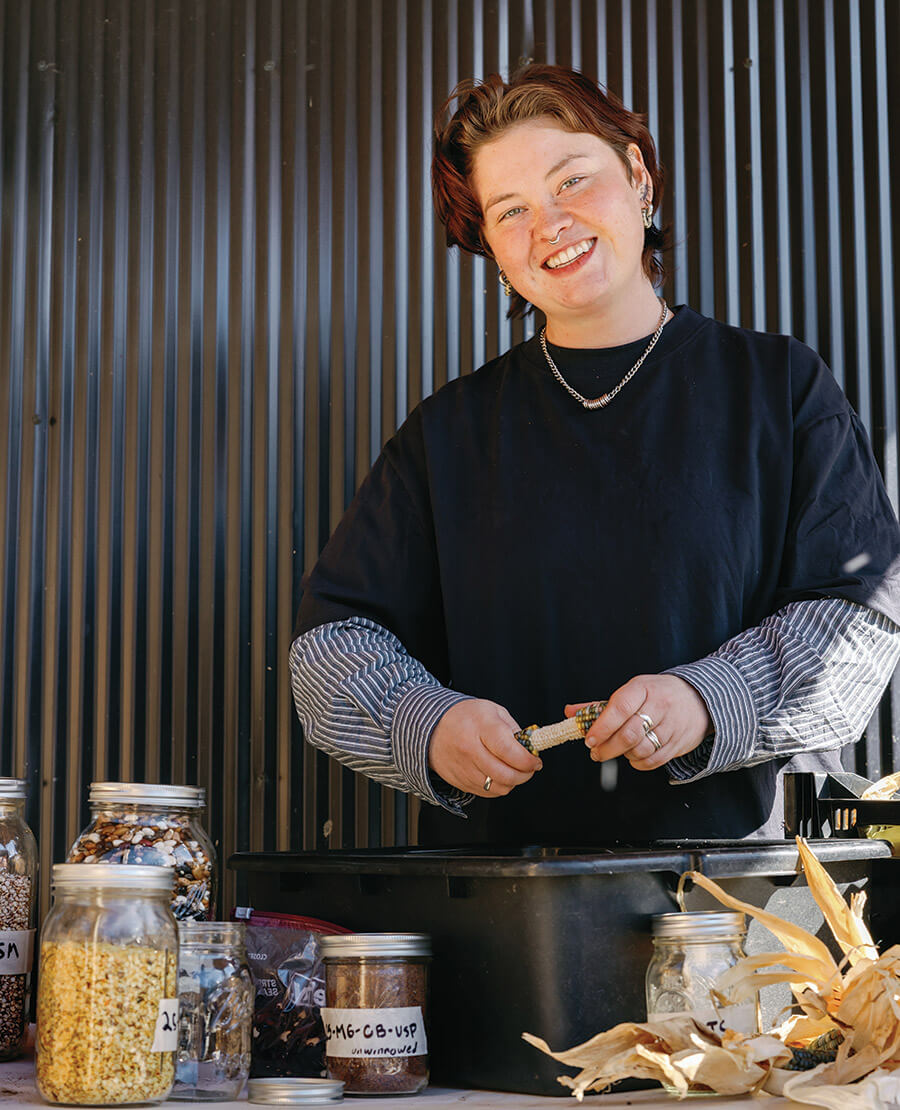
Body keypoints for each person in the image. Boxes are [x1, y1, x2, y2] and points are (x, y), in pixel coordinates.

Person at [289, 64, 900, 847]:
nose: (550, 225)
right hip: (504, 909)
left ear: (638, 176)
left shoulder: (777, 387)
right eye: (510, 211)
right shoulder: (448, 433)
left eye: (572, 181)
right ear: (492, 251)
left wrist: (708, 700)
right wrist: (428, 724)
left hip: (738, 908)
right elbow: (330, 645)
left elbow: (858, 621)